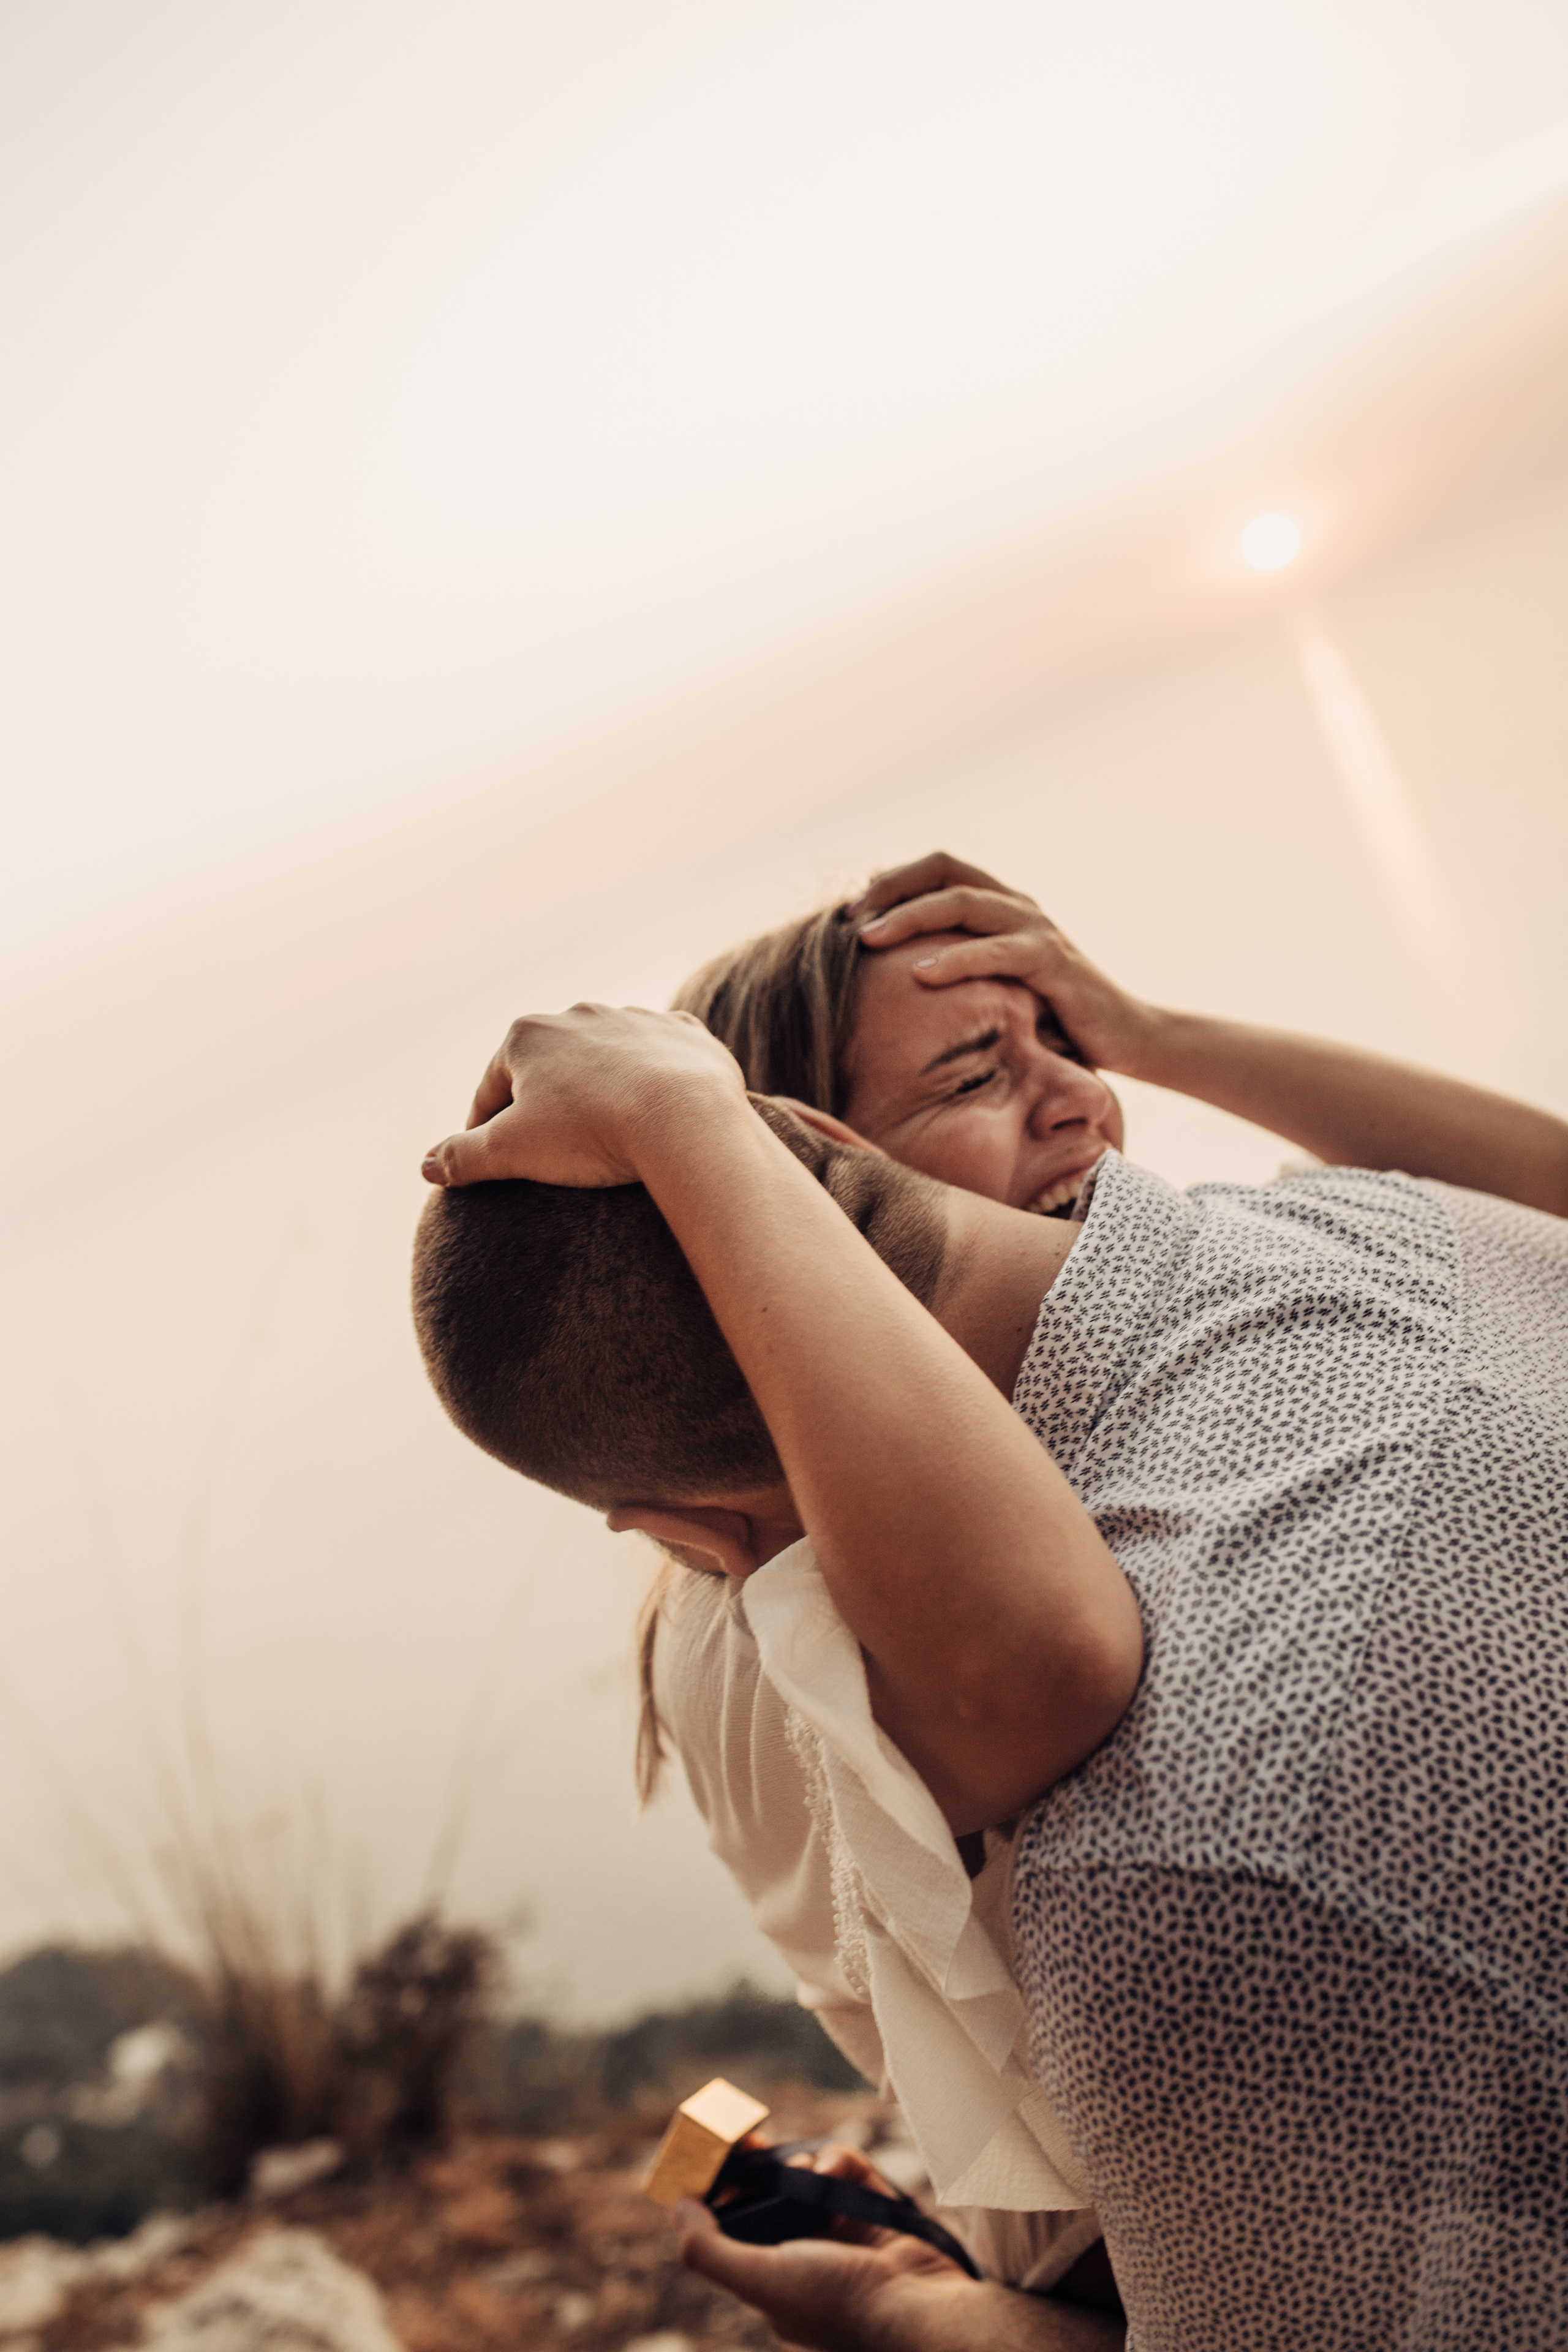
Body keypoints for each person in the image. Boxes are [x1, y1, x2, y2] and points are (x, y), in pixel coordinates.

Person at [415, 881, 1568, 2350]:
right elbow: (1029, 1665)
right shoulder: (768, 1644)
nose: (1086, 1098)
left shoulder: (1238, 1325)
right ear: (779, 1186)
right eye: (971, 1076)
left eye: (1064, 1044)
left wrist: (1150, 1030)